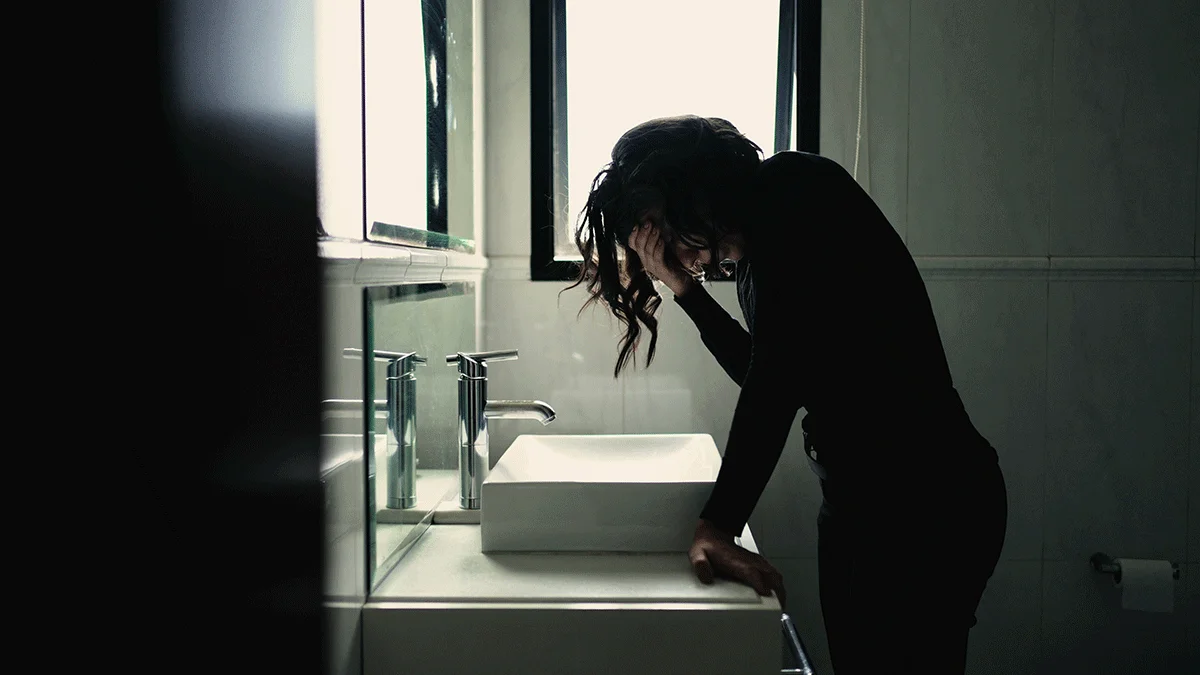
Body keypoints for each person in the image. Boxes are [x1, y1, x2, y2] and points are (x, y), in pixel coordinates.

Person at [565, 115, 1008, 674]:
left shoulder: (799, 191)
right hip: (862, 502)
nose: (668, 250)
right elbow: (769, 373)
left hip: (928, 501)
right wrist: (682, 289)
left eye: (663, 231)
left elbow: (773, 384)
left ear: (690, 193)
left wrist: (718, 524)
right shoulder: (754, 258)